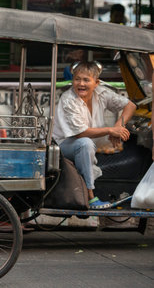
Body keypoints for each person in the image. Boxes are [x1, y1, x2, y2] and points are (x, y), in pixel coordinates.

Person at [53, 61, 136, 209]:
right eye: (77, 79)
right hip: (62, 146)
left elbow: (130, 106)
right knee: (85, 143)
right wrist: (111, 130)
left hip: (87, 143)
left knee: (87, 143)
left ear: (96, 82)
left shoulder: (101, 92)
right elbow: (80, 133)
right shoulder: (68, 99)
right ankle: (90, 197)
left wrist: (119, 126)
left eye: (86, 80)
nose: (81, 84)